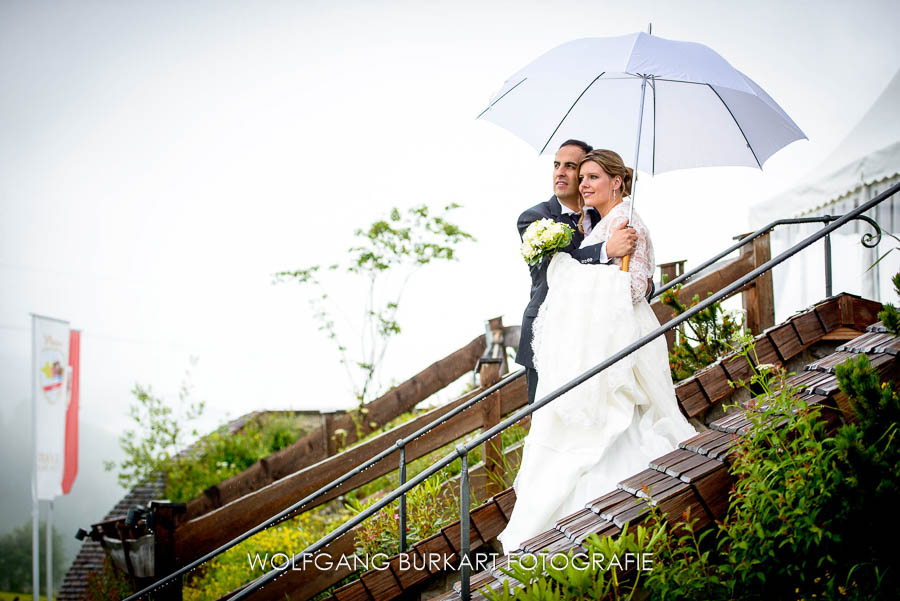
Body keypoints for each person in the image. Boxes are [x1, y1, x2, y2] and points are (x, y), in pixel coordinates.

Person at [498, 149, 697, 554]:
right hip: (585, 341)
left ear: (618, 181)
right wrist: (603, 255)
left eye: (591, 176)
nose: (582, 183)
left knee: (616, 421)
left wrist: (600, 269)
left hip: (617, 339)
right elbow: (567, 270)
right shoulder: (588, 222)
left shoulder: (626, 222)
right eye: (580, 175)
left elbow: (636, 287)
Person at [515, 139, 640, 405]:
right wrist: (605, 249)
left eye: (571, 167)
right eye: (556, 165)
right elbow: (556, 269)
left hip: (591, 336)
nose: (560, 172)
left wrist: (644, 285)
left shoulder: (606, 217)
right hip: (547, 331)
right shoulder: (534, 218)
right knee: (546, 419)